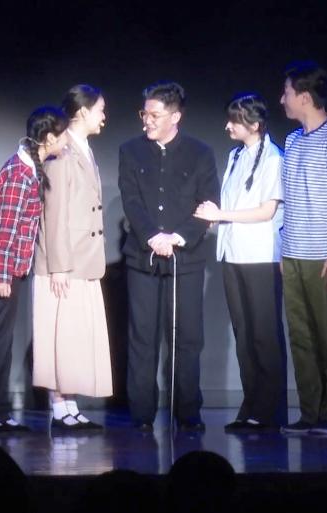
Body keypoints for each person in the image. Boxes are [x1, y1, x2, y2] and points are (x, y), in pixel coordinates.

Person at [118, 81, 219, 431]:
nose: (147, 120)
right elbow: (131, 200)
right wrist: (152, 236)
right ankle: (141, 414)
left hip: (185, 259)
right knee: (142, 337)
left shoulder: (200, 153)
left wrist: (177, 237)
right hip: (142, 257)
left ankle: (187, 413)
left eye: (155, 115)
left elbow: (208, 204)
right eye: (144, 114)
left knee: (187, 337)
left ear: (175, 116)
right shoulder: (131, 151)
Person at [0, 106, 69, 432]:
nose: (66, 140)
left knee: (1, 341)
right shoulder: (19, 174)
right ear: (48, 137)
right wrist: (1, 275)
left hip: (6, 266)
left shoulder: (31, 168)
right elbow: (5, 229)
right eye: (62, 134)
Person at [194, 92, 287, 431]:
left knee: (264, 334)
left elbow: (266, 211)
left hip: (260, 256)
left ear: (255, 124)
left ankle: (269, 410)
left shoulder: (273, 158)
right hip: (232, 254)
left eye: (235, 120)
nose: (228, 126)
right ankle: (251, 406)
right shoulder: (235, 156)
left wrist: (221, 214)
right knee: (244, 334)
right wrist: (215, 218)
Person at [277, 61, 327, 436]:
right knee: (302, 338)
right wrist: (284, 249)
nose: (282, 100)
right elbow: (290, 200)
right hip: (294, 255)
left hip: (325, 258)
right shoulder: (293, 141)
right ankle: (310, 413)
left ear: (305, 97)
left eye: (287, 93)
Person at [33, 85, 112, 431]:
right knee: (61, 336)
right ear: (82, 112)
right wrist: (59, 267)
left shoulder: (83, 149)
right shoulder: (62, 152)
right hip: (64, 263)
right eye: (100, 110)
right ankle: (58, 408)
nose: (104, 117)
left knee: (75, 337)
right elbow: (53, 212)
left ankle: (70, 405)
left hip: (84, 260)